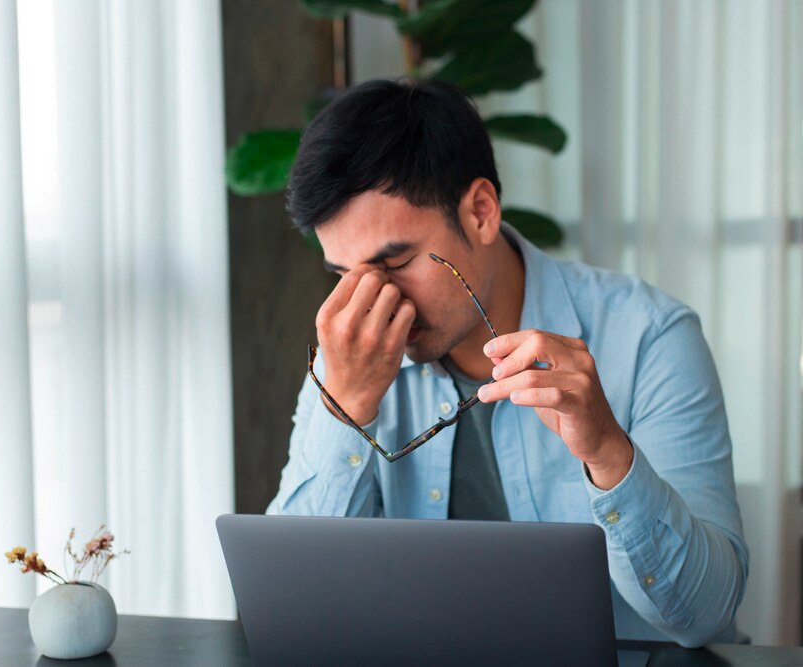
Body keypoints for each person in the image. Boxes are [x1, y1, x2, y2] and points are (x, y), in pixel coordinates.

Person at [266, 78, 748, 647]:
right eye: (344, 275)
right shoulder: (349, 356)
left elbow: (703, 616)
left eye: (395, 261)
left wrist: (607, 453)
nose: (375, 300)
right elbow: (292, 608)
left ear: (480, 212)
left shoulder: (650, 337)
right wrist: (343, 410)